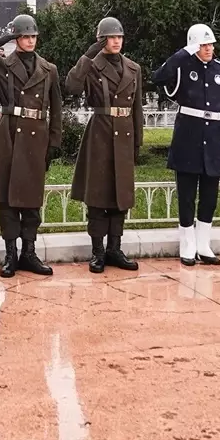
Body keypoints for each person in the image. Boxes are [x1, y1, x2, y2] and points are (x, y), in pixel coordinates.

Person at [0, 13, 62, 277]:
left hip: (37, 135)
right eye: (24, 36)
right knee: (8, 199)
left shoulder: (49, 69)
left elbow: (56, 108)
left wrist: (54, 141)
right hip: (10, 134)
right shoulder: (2, 65)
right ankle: (10, 254)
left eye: (32, 36)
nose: (29, 41)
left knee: (31, 199)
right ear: (16, 38)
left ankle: (29, 252)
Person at [151, 23, 220, 266]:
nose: (208, 48)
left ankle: (203, 244)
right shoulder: (183, 67)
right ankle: (187, 244)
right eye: (203, 45)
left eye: (210, 44)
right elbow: (158, 77)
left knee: (209, 196)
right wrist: (184, 52)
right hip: (188, 140)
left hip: (214, 142)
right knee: (186, 196)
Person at [66, 17, 143, 273]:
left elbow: (137, 109)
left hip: (125, 134)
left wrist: (137, 143)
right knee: (98, 196)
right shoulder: (92, 66)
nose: (116, 41)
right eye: (111, 37)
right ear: (102, 40)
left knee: (120, 195)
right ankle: (98, 251)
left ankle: (115, 249)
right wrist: (87, 57)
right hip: (100, 131)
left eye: (119, 37)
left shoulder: (133, 68)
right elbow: (72, 86)